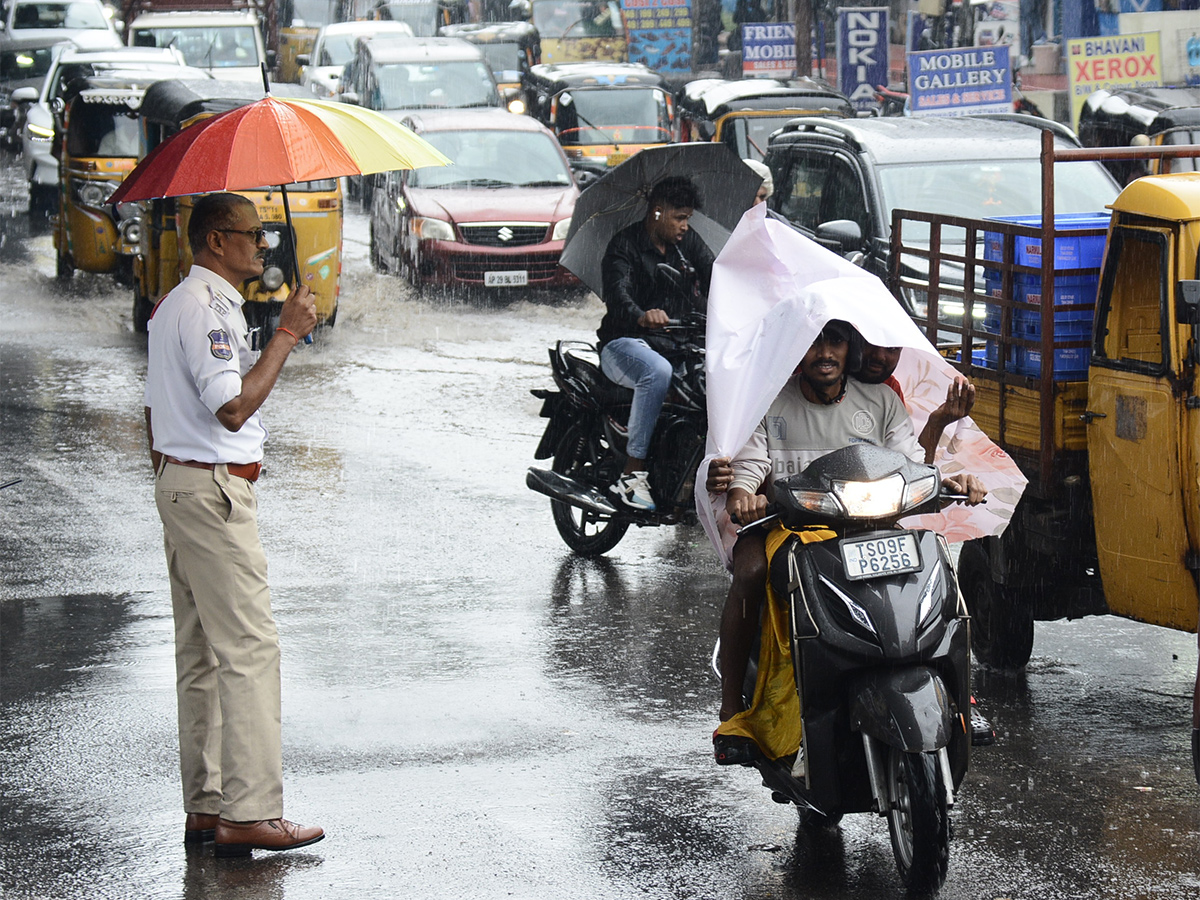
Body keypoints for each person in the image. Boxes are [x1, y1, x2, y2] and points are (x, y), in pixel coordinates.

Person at [706, 321, 985, 765]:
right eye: (813, 341)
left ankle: (959, 694)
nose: (824, 353)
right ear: (797, 349)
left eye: (834, 341)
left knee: (933, 562)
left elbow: (911, 463)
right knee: (753, 571)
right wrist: (743, 496)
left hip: (865, 526)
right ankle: (730, 709)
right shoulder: (771, 401)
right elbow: (750, 466)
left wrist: (950, 479)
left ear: (848, 348)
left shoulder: (881, 400)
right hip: (790, 528)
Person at [143, 192, 324, 857]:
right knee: (249, 651)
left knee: (201, 655)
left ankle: (209, 806)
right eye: (253, 235)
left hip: (181, 484)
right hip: (214, 493)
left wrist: (175, 476)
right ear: (216, 241)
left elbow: (152, 412)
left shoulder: (173, 306)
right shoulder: (210, 311)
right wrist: (286, 333)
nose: (262, 246)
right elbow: (232, 407)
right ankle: (250, 812)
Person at [598, 175, 714, 511]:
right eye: (680, 217)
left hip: (679, 343)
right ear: (658, 212)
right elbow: (616, 294)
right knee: (657, 373)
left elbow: (716, 275)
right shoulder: (624, 245)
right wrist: (640, 314)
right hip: (626, 344)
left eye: (688, 218)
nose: (684, 226)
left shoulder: (687, 245)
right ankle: (632, 475)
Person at [857, 342, 975, 464]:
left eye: (892, 349)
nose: (879, 356)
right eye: (871, 343)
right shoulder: (838, 384)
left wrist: (936, 424)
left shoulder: (889, 390)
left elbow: (913, 469)